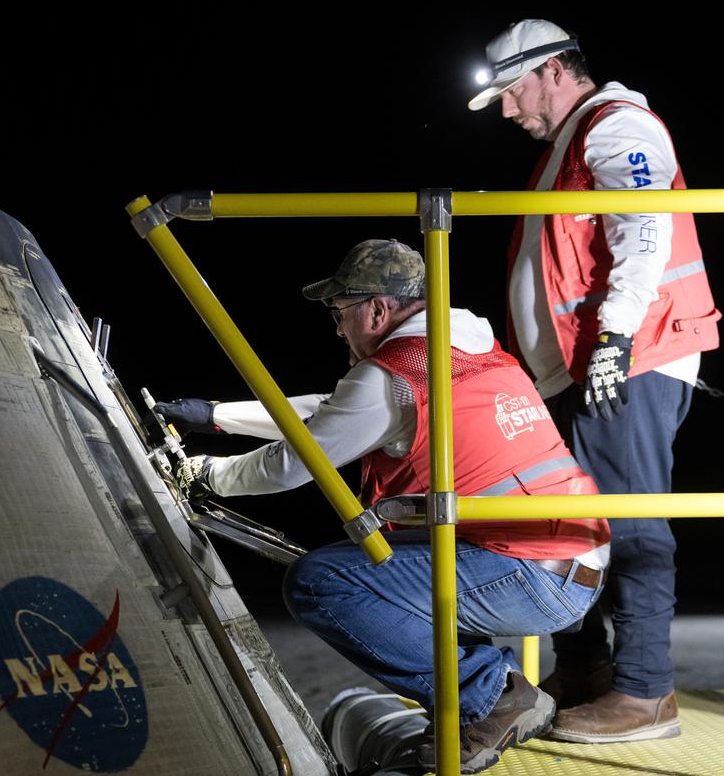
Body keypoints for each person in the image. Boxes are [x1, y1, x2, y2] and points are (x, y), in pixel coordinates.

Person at [161, 238, 612, 774]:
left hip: (532, 574)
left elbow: (290, 464)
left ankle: (494, 698)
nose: (336, 328)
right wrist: (217, 415)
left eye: (340, 312)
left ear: (377, 309)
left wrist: (202, 473)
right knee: (404, 559)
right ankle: (478, 702)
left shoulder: (391, 377)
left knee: (323, 582)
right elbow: (336, 412)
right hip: (570, 559)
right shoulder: (462, 347)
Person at [466, 19, 720, 743]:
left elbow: (644, 224)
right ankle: (584, 668)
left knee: (630, 514)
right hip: (589, 365)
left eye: (513, 93)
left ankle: (644, 690)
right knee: (569, 523)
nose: (510, 112)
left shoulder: (614, 126)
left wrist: (614, 334)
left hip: (626, 360)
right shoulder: (574, 141)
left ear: (552, 70)